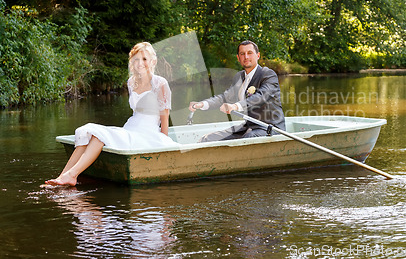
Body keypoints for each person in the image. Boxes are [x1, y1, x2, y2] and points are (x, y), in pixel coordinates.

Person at [45, 42, 177, 186]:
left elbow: (164, 117)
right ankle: (62, 176)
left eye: (144, 59)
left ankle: (71, 176)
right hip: (130, 129)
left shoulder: (160, 83)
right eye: (136, 59)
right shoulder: (131, 82)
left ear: (153, 61)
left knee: (99, 136)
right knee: (90, 133)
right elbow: (136, 112)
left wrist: (164, 144)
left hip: (148, 134)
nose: (140, 63)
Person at [189, 40, 285, 142]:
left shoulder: (268, 74)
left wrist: (235, 106)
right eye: (242, 54)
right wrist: (203, 104)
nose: (246, 57)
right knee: (208, 138)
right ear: (238, 58)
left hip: (270, 127)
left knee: (247, 139)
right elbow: (225, 97)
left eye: (250, 53)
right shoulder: (239, 77)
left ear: (258, 55)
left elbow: (261, 96)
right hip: (249, 126)